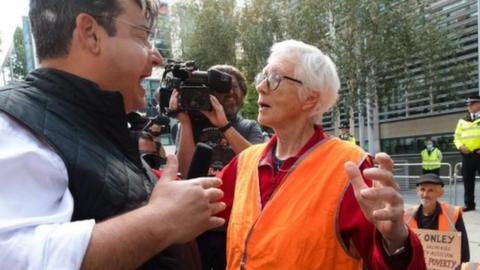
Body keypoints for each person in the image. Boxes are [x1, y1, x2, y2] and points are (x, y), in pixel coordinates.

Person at [0, 1, 225, 269]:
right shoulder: (14, 126)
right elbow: (13, 256)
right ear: (90, 33)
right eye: (142, 37)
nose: (157, 58)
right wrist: (160, 220)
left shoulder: (95, 123)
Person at [219, 40, 425, 269]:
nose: (260, 87)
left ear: (310, 99)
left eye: (275, 78)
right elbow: (193, 211)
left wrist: (396, 241)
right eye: (263, 76)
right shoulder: (246, 161)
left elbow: (382, 258)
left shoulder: (350, 167)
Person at [170, 64, 264, 270]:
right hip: (196, 227)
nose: (231, 92)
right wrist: (184, 123)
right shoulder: (186, 126)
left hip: (235, 227)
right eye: (224, 87)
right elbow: (186, 173)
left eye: (236, 87)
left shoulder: (249, 127)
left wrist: (224, 126)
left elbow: (258, 163)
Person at [404, 173, 470, 262]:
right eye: (422, 189)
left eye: (431, 190)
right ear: (417, 191)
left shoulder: (452, 213)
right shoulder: (407, 216)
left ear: (440, 193)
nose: (425, 194)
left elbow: (464, 252)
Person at [454, 95, 480, 212]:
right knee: (467, 181)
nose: (469, 106)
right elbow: (457, 137)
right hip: (467, 155)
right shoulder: (462, 120)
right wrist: (461, 147)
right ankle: (469, 204)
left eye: (472, 103)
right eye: (468, 104)